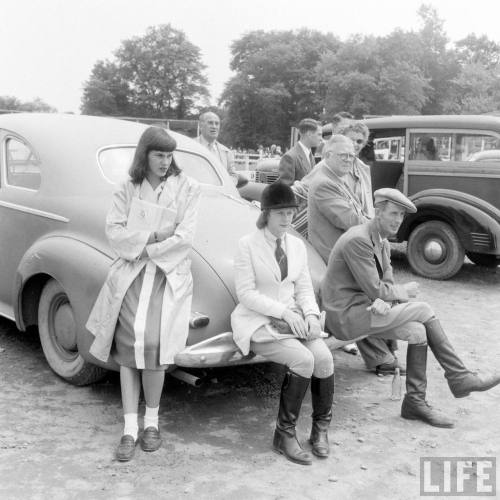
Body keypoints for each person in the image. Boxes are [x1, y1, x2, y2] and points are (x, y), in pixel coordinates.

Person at [321, 188, 500, 428]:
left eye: (401, 216)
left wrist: (387, 298)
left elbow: (386, 285)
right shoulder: (359, 240)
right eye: (393, 213)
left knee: (417, 332)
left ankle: (414, 402)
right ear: (378, 212)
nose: (398, 221)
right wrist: (399, 293)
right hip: (345, 316)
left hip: (368, 310)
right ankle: (459, 377)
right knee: (423, 308)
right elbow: (378, 288)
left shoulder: (381, 242)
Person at [86, 126, 201, 461]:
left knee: (153, 345)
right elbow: (115, 234)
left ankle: (151, 421)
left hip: (167, 274)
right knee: (127, 348)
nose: (165, 162)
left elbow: (185, 236)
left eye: (169, 155)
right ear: (145, 155)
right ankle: (129, 428)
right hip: (132, 274)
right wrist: (153, 235)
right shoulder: (128, 187)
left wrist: (144, 245)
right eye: (158, 155)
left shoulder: (188, 188)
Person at [231, 182, 334, 465]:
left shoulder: (297, 245)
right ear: (265, 213)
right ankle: (284, 434)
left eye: (290, 213)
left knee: (324, 358)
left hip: (293, 320)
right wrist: (284, 313)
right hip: (257, 322)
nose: (287, 219)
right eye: (280, 213)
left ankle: (320, 430)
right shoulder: (247, 245)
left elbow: (303, 289)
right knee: (303, 359)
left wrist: (311, 316)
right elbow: (246, 294)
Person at [337, 121, 403, 375]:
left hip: (364, 235)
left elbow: (368, 204)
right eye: (351, 140)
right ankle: (380, 357)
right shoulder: (331, 170)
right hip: (340, 241)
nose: (355, 146)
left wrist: (376, 232)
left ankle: (389, 348)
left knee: (387, 282)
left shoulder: (363, 169)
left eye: (360, 142)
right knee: (366, 292)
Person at [277, 118, 322, 186]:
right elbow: (285, 189)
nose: (321, 138)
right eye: (319, 134)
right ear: (309, 134)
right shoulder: (290, 157)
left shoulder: (310, 156)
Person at [196, 111, 236, 176]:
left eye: (217, 124)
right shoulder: (190, 146)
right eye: (210, 123)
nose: (214, 127)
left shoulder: (227, 153)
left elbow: (233, 176)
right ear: (201, 126)